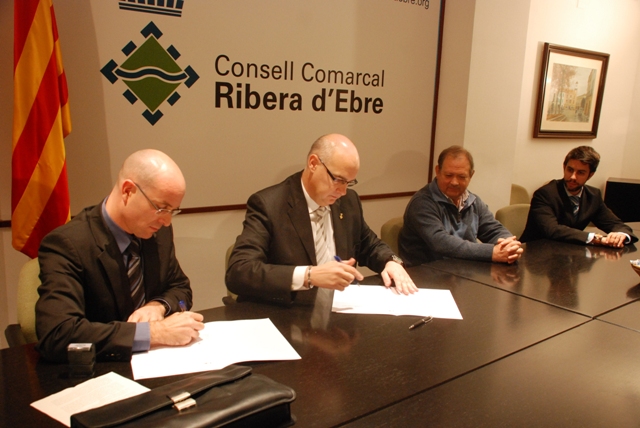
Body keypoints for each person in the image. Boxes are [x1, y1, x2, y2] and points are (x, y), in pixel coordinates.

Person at [36, 149, 204, 362]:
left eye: (173, 210)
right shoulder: (68, 244)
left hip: (156, 363)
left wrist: (158, 305)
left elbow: (180, 288)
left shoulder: (158, 232)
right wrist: (154, 333)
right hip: (101, 369)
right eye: (161, 208)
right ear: (128, 191)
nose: (167, 221)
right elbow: (58, 333)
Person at [226, 133, 417, 304]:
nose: (343, 191)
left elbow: (369, 244)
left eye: (349, 182)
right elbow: (239, 271)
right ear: (313, 163)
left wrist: (391, 261)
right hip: (288, 313)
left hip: (338, 311)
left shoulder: (348, 201)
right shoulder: (269, 205)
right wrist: (309, 275)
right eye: (338, 180)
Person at [399, 145, 523, 266]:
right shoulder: (422, 203)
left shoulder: (473, 201)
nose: (454, 182)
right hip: (427, 272)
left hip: (465, 270)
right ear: (437, 171)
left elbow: (493, 229)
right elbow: (441, 243)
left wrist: (509, 245)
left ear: (471, 175)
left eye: (461, 177)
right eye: (449, 175)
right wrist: (491, 253)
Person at [520, 146, 638, 247]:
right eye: (570, 170)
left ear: (590, 175)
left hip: (570, 253)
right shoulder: (545, 194)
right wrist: (596, 239)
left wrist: (620, 235)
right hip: (537, 254)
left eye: (580, 173)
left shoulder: (593, 196)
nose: (573, 177)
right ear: (564, 167)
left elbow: (615, 224)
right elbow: (552, 230)